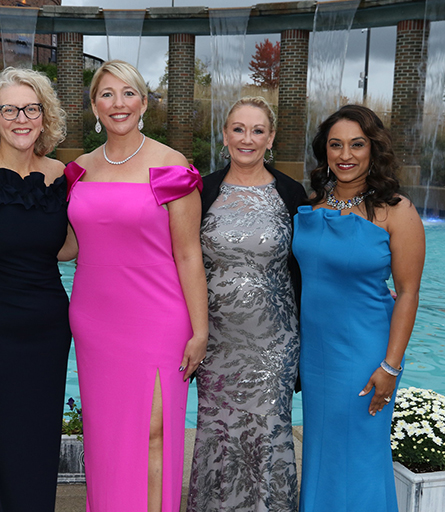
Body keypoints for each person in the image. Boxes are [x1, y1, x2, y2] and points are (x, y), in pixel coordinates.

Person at [63, 60, 209, 512]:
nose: (118, 103)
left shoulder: (170, 166)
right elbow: (67, 245)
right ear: (94, 106)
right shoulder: (79, 170)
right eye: (107, 94)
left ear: (144, 102)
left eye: (128, 93)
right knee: (106, 437)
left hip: (158, 319)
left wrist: (200, 331)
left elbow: (189, 254)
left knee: (154, 432)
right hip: (95, 322)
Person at [293, 104, 425, 512]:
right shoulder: (312, 205)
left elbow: (407, 293)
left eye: (356, 144)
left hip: (365, 354)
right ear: (325, 151)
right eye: (336, 145)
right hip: (315, 356)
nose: (345, 154)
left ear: (373, 149)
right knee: (321, 452)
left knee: (361, 457)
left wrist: (390, 366)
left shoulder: (396, 211)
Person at [0, 67, 70, 512]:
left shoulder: (63, 175)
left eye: (31, 108)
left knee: (38, 442)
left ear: (45, 115)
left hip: (46, 328)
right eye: (9, 108)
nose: (21, 117)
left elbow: (75, 245)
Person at [188, 97, 307, 512]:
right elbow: (180, 258)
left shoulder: (292, 194)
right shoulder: (202, 190)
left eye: (257, 130)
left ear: (270, 138)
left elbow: (312, 259)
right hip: (216, 342)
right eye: (238, 129)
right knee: (218, 435)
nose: (247, 138)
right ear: (225, 135)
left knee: (269, 434)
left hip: (274, 343)